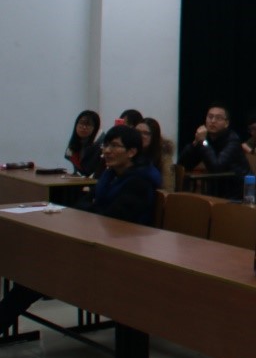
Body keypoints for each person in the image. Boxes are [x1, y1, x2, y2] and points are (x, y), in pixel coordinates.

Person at [1, 125, 158, 333]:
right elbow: (86, 205)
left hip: (122, 253)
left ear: (132, 152)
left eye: (114, 146)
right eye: (105, 145)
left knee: (39, 273)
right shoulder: (111, 175)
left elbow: (114, 219)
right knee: (36, 272)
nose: (107, 151)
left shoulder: (139, 182)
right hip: (98, 243)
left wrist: (87, 213)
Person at [177, 103, 247, 198]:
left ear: (226, 123)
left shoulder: (233, 140)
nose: (213, 121)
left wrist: (203, 142)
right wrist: (195, 144)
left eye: (218, 118)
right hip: (217, 188)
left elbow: (216, 167)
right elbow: (183, 164)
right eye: (210, 117)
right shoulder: (206, 138)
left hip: (235, 191)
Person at [137, 116, 175, 192]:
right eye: (137, 132)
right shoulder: (131, 152)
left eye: (145, 133)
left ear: (154, 136)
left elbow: (168, 189)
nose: (140, 136)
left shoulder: (164, 156)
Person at [64, 110, 101, 176]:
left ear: (95, 128)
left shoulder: (99, 145)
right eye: (81, 123)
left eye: (88, 124)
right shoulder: (74, 143)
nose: (84, 127)